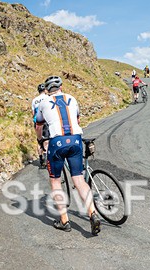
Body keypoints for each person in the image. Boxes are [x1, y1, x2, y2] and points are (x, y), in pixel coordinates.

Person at [34, 75, 101, 235]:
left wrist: (40, 141)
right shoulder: (72, 98)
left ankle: (64, 220)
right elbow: (77, 119)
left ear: (47, 90)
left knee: (55, 181)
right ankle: (93, 213)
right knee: (78, 179)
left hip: (57, 142)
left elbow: (38, 124)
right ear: (61, 87)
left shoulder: (43, 102)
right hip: (76, 139)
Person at [31, 83, 49, 167]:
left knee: (39, 141)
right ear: (45, 90)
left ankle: (40, 157)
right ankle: (46, 158)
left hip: (37, 122)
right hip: (45, 120)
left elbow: (33, 113)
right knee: (46, 140)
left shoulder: (34, 100)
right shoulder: (47, 98)